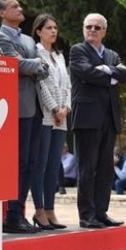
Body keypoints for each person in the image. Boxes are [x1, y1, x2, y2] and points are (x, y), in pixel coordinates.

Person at [0, 0, 49, 234]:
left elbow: (40, 67)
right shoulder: (0, 37)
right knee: (20, 162)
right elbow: (13, 65)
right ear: (2, 13)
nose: (20, 9)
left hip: (35, 106)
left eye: (19, 5)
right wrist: (34, 63)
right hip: (17, 107)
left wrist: (32, 64)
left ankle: (18, 212)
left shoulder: (26, 38)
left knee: (30, 162)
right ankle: (12, 214)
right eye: (14, 7)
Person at [70, 13, 126, 228]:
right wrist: (113, 76)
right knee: (87, 168)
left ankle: (101, 212)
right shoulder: (78, 51)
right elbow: (87, 73)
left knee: (105, 168)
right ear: (83, 29)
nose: (92, 30)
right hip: (87, 117)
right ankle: (87, 215)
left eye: (97, 27)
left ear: (104, 31)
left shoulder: (112, 54)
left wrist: (105, 70)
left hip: (109, 116)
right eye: (89, 26)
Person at [32, 14, 71, 230]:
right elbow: (40, 85)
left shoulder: (59, 56)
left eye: (55, 27)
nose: (53, 31)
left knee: (54, 164)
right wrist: (55, 108)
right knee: (41, 164)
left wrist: (65, 108)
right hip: (46, 116)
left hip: (62, 117)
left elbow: (67, 85)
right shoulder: (36, 53)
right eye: (48, 28)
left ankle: (50, 209)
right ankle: (39, 210)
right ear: (38, 31)